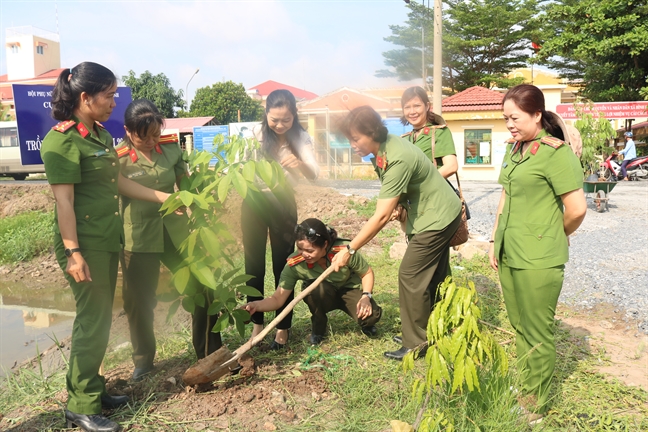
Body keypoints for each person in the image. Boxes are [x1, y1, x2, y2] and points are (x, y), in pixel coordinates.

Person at [41, 63, 172, 432]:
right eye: (109, 95)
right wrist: (72, 253)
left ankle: (93, 392)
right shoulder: (62, 140)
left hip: (105, 239)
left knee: (97, 318)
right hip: (83, 244)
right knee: (92, 321)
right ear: (85, 98)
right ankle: (80, 407)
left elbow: (116, 183)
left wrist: (163, 196)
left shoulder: (97, 135)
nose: (115, 101)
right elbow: (63, 203)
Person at [331, 106, 462, 361]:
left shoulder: (396, 155)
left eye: (356, 139)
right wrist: (399, 203)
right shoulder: (383, 149)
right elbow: (397, 191)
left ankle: (415, 343)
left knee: (411, 275)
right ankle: (433, 330)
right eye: (349, 139)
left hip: (438, 216)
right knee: (433, 276)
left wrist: (349, 249)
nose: (352, 145)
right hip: (429, 214)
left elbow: (380, 216)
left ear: (372, 133)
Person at [488, 84, 586, 423]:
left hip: (539, 258)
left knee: (538, 331)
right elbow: (506, 195)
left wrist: (551, 237)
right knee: (519, 325)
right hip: (509, 252)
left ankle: (535, 406)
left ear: (536, 115)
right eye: (505, 118)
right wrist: (493, 241)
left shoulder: (555, 153)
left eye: (515, 117)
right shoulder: (514, 150)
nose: (509, 124)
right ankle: (527, 386)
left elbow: (576, 209)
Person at [116, 99, 222, 382]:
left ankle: (209, 350)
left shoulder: (171, 149)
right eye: (143, 136)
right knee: (139, 301)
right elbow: (120, 186)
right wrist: (166, 198)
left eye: (154, 134)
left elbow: (184, 184)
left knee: (202, 286)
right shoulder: (119, 158)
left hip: (176, 232)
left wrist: (197, 204)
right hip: (138, 236)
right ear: (128, 131)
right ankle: (143, 360)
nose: (151, 141)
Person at [243, 89, 319, 349]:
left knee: (284, 264)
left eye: (285, 120)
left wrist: (298, 165)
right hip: (253, 201)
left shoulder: (301, 138)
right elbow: (241, 165)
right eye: (274, 119)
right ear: (266, 114)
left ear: (294, 115)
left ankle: (282, 327)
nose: (279, 125)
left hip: (283, 204)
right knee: (252, 265)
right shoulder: (255, 134)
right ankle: (256, 325)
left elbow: (314, 173)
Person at [244, 218, 382, 344]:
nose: (304, 254)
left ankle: (366, 325)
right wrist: (255, 305)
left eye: (310, 250)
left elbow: (367, 273)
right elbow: (277, 299)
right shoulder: (295, 264)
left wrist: (366, 296)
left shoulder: (343, 252)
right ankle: (318, 329)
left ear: (325, 244)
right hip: (322, 295)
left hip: (348, 290)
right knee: (315, 290)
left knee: (372, 315)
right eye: (300, 248)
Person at [400, 86, 458, 178]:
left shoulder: (439, 132)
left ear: (427, 106)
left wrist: (423, 183)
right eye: (407, 107)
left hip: (432, 191)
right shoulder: (404, 139)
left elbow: (451, 166)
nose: (412, 112)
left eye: (417, 106)